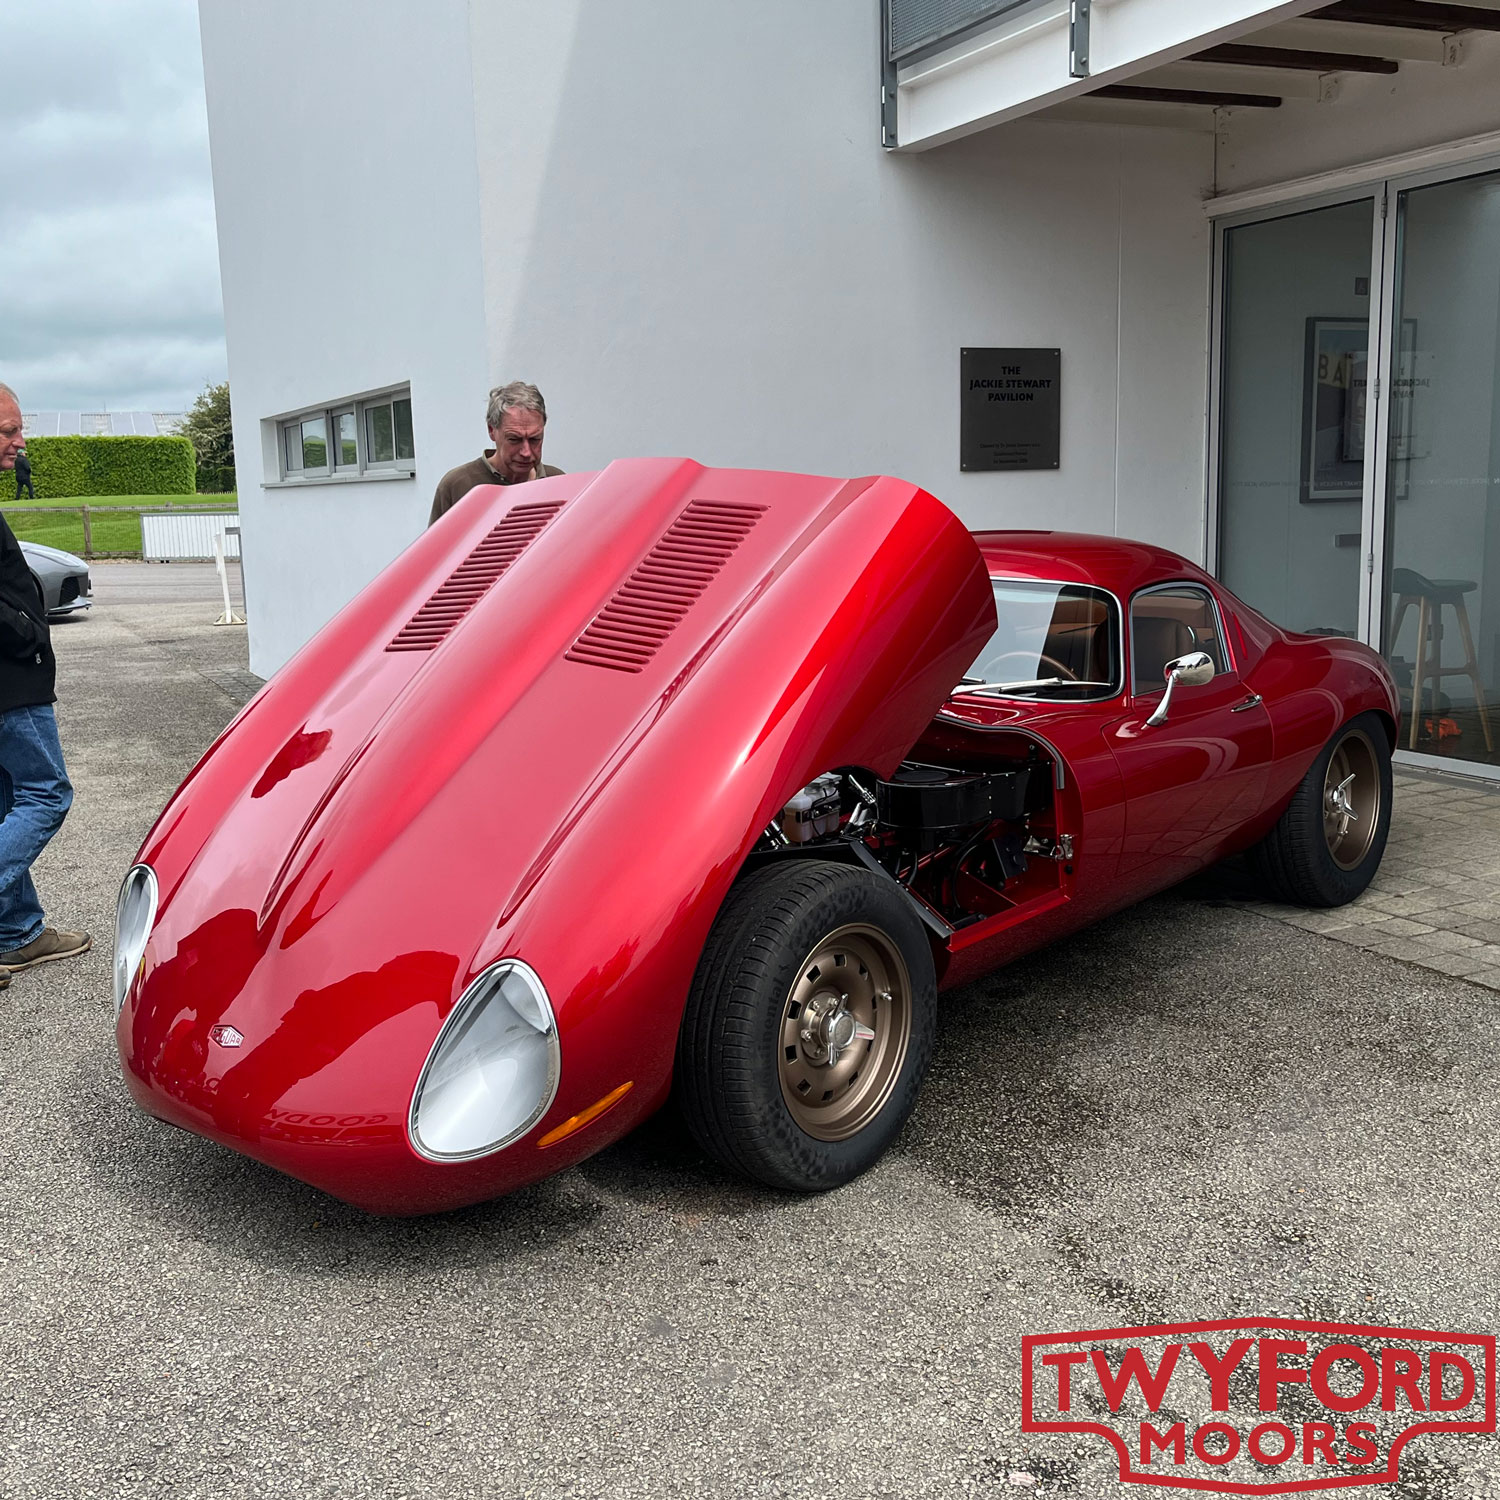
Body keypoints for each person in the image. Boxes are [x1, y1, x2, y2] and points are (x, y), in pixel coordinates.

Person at [0, 383, 90, 985]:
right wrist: (28, 630)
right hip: (11, 681)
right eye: (8, 430)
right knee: (45, 794)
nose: (21, 441)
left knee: (8, 798)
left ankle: (18, 932)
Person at [428, 381, 563, 526]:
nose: (526, 452)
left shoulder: (559, 482)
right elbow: (437, 548)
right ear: (492, 431)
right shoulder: (458, 485)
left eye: (535, 439)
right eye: (514, 439)